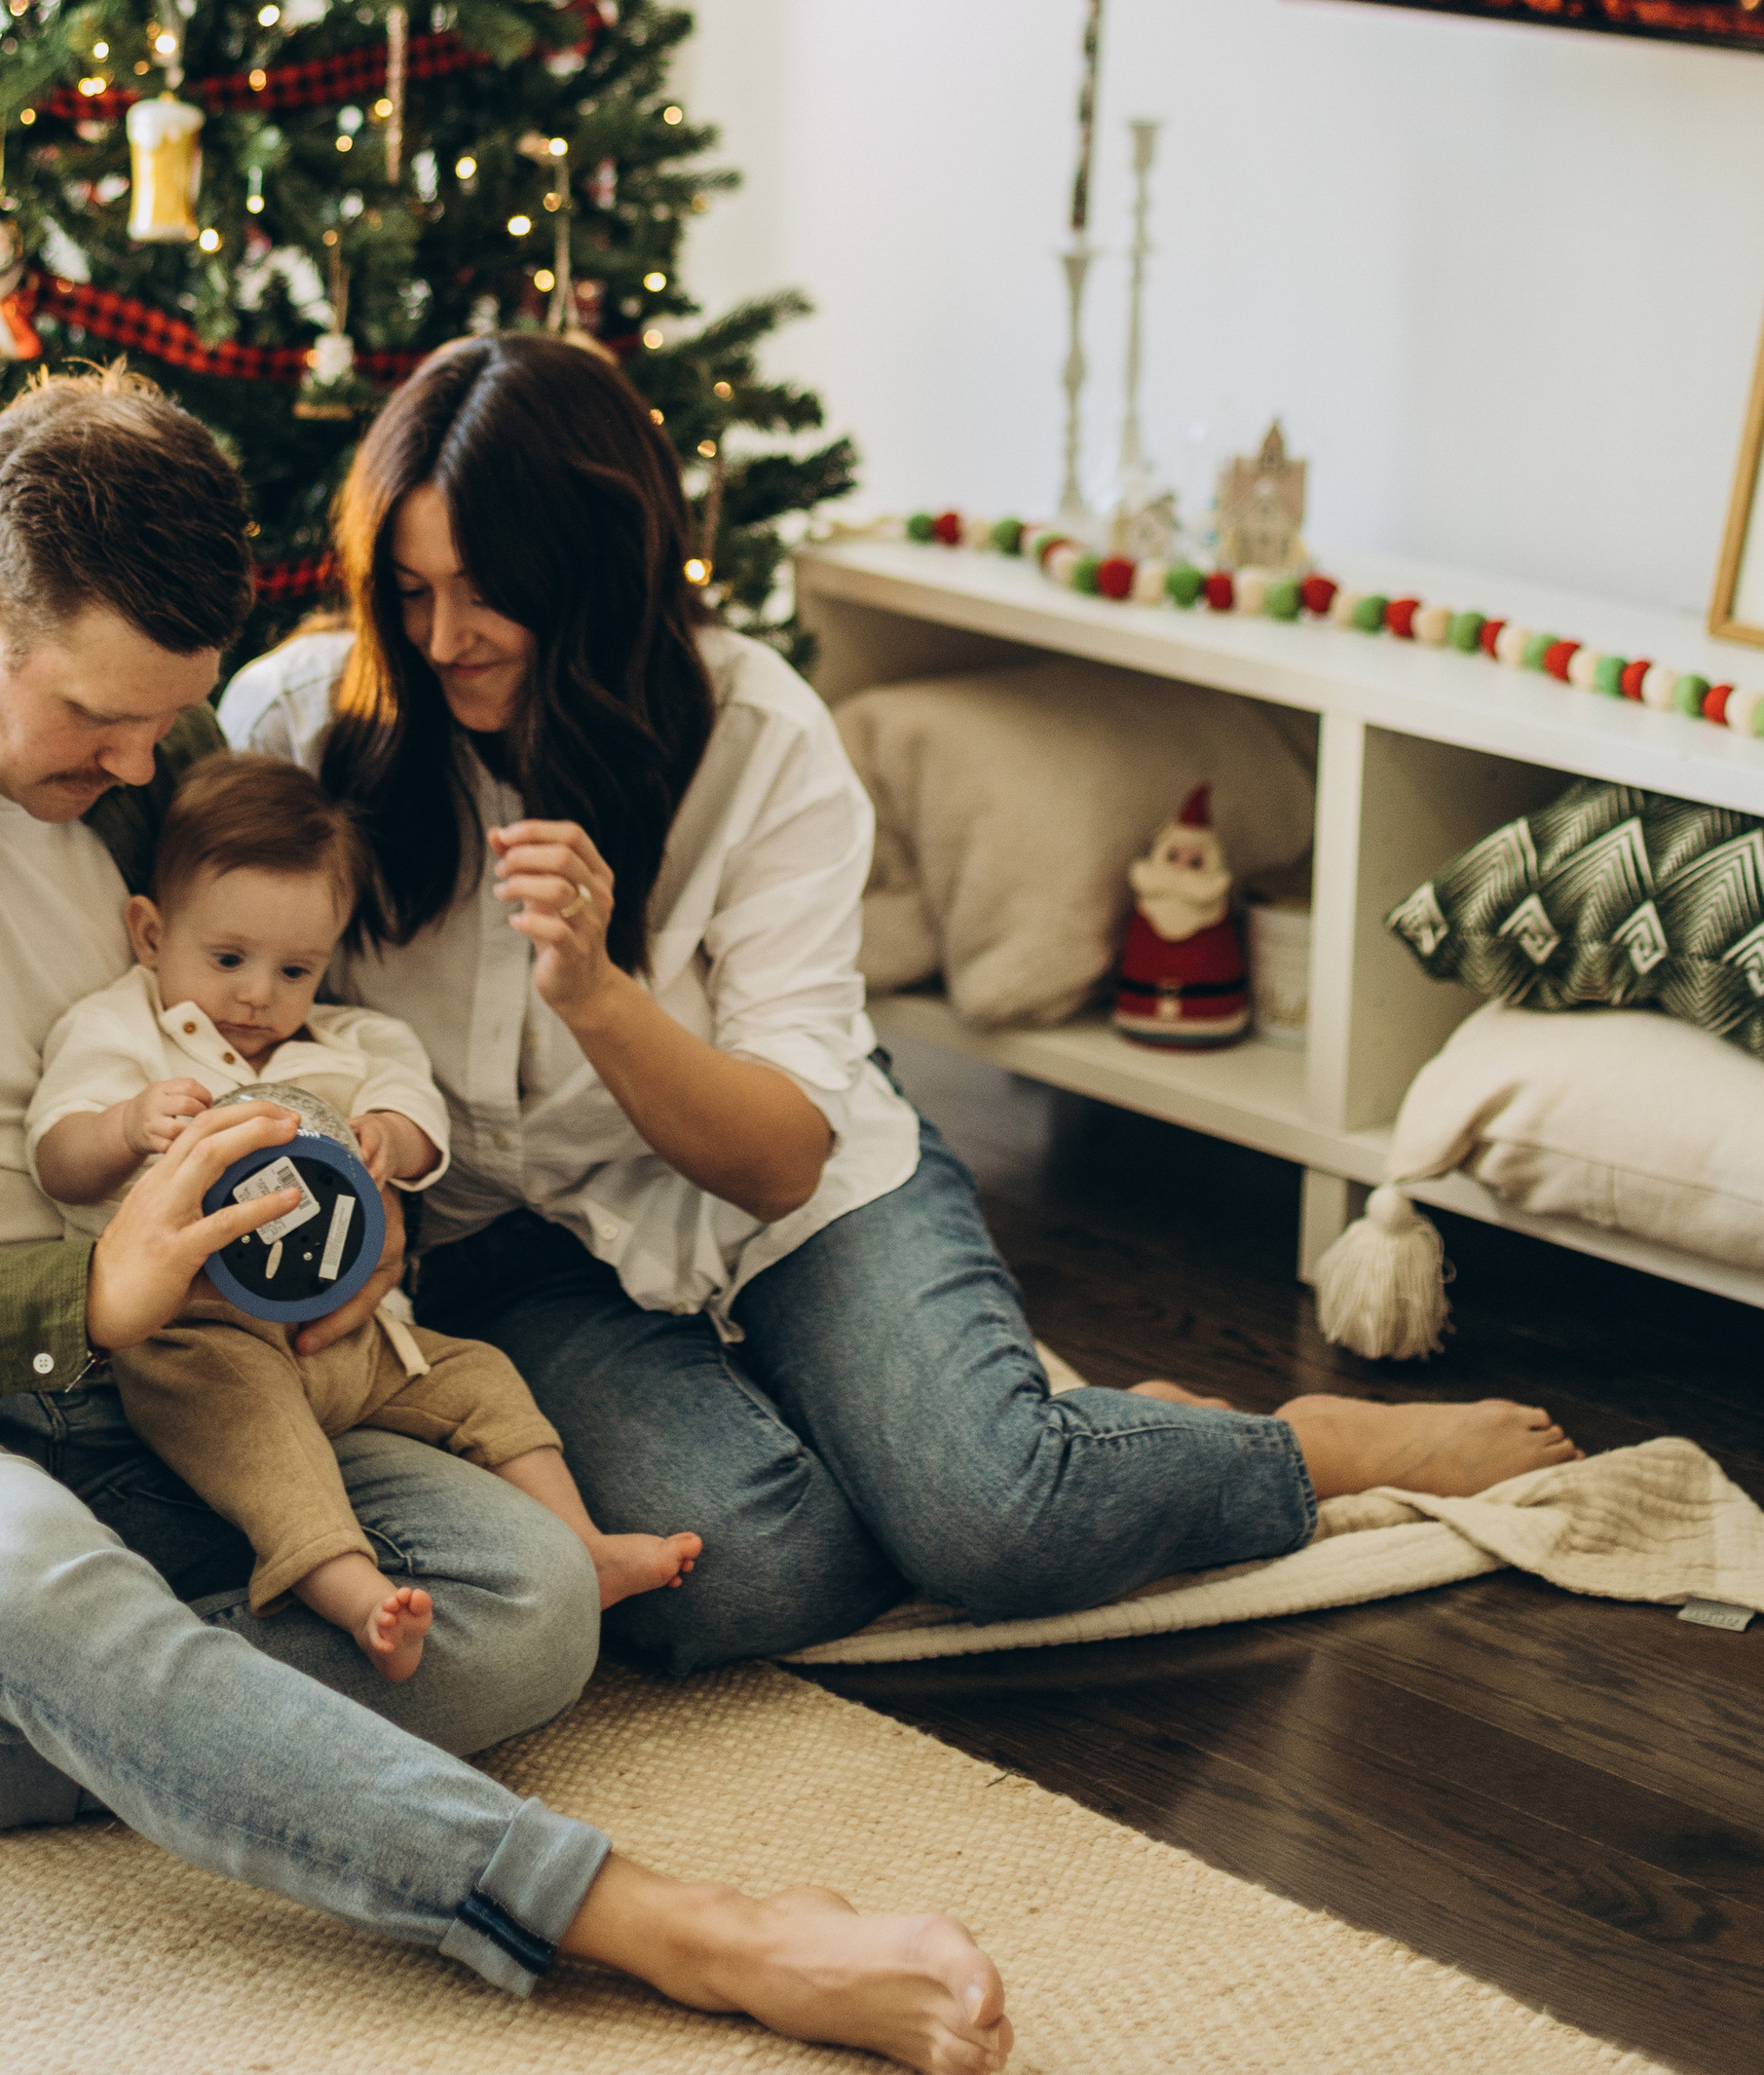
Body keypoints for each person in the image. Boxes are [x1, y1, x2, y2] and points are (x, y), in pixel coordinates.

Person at [0, 366, 1012, 2075]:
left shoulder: (156, 758)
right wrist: (85, 1296)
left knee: (522, 1601)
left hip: (168, 1381)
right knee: (24, 1580)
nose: (151, 764)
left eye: (168, 721)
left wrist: (338, 1207)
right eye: (102, 724)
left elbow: (301, 1034)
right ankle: (668, 1927)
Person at [223, 334, 1584, 1677]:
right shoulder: (301, 725)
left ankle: (1284, 1450)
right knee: (745, 1579)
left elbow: (781, 1159)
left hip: (793, 1185)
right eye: (408, 590)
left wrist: (600, 996)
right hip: (513, 1253)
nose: (444, 638)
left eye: (488, 594)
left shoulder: (761, 743)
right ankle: (1003, 1442)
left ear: (595, 576)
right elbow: (237, 1016)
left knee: (997, 1525)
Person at [25, 747, 702, 1678]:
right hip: (196, 1332)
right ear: (150, 932)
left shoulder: (353, 1047)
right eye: (227, 959)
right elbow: (56, 1160)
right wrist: (125, 1125)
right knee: (260, 1442)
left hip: (354, 1336)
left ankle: (580, 1540)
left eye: (295, 969)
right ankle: (355, 1596)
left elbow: (423, 1131)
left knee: (484, 1379)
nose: (258, 994)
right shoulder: (123, 1031)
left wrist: (389, 1136)